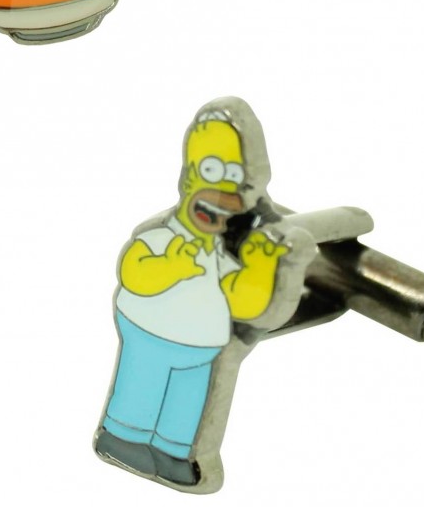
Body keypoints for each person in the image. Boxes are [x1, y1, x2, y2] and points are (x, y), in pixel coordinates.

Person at [94, 97, 313, 490]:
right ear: (189, 178)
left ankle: (173, 452)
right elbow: (133, 272)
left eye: (233, 183)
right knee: (143, 383)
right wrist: (170, 267)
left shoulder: (218, 256)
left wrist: (262, 268)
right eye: (212, 173)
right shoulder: (163, 237)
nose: (220, 198)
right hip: (150, 332)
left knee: (188, 400)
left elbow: (243, 301)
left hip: (201, 348)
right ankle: (123, 436)